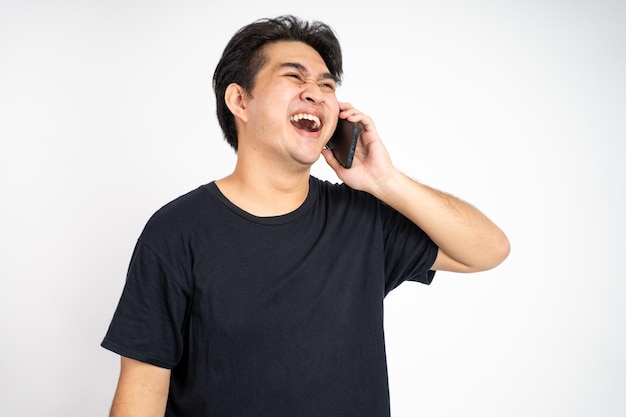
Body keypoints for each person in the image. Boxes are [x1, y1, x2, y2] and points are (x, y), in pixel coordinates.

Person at [102, 15, 510, 417]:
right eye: (295, 78)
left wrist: (385, 180)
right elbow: (142, 391)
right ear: (239, 100)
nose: (316, 92)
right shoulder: (176, 232)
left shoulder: (363, 219)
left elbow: (488, 250)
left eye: (327, 85)